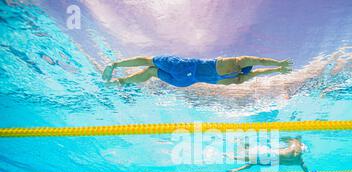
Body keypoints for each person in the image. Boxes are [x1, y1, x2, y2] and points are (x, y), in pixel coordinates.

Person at [102, 55, 293, 87]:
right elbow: (258, 72)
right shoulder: (238, 80)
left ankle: (115, 65)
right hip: (183, 82)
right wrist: (278, 69)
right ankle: (120, 82)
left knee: (148, 61)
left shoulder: (236, 62)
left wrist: (278, 63)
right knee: (152, 72)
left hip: (185, 67)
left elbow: (258, 61)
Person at [226, 136, 310, 172]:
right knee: (253, 161)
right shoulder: (299, 160)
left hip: (272, 155)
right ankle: (236, 168)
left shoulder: (295, 145)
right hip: (271, 163)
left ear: (301, 146)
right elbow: (304, 167)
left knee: (252, 156)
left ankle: (234, 156)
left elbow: (294, 139)